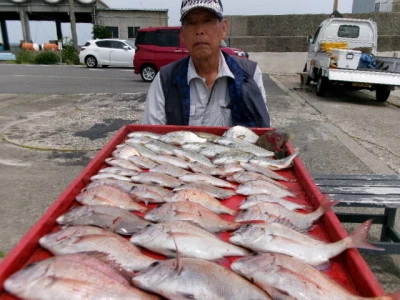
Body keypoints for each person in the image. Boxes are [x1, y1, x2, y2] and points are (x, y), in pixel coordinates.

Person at [141, 0, 270, 128]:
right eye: (191, 23)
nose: (199, 31)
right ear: (182, 36)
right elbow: (150, 138)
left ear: (223, 28)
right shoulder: (165, 80)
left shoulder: (249, 75)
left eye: (208, 20)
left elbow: (261, 131)